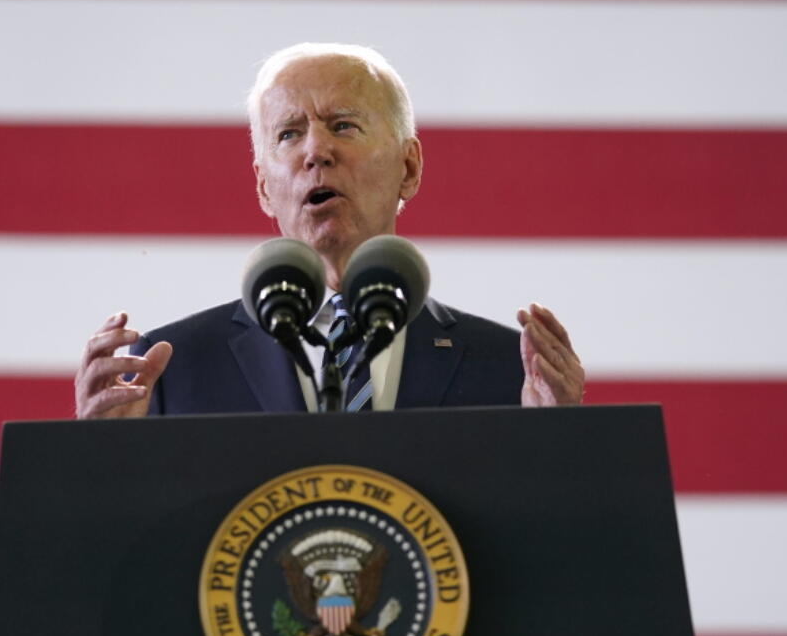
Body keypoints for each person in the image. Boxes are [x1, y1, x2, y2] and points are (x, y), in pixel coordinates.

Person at [75, 43, 584, 419]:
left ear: (408, 167)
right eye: (289, 134)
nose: (315, 151)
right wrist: (105, 465)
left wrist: (560, 448)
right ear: (263, 187)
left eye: (343, 125)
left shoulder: (508, 371)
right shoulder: (170, 371)